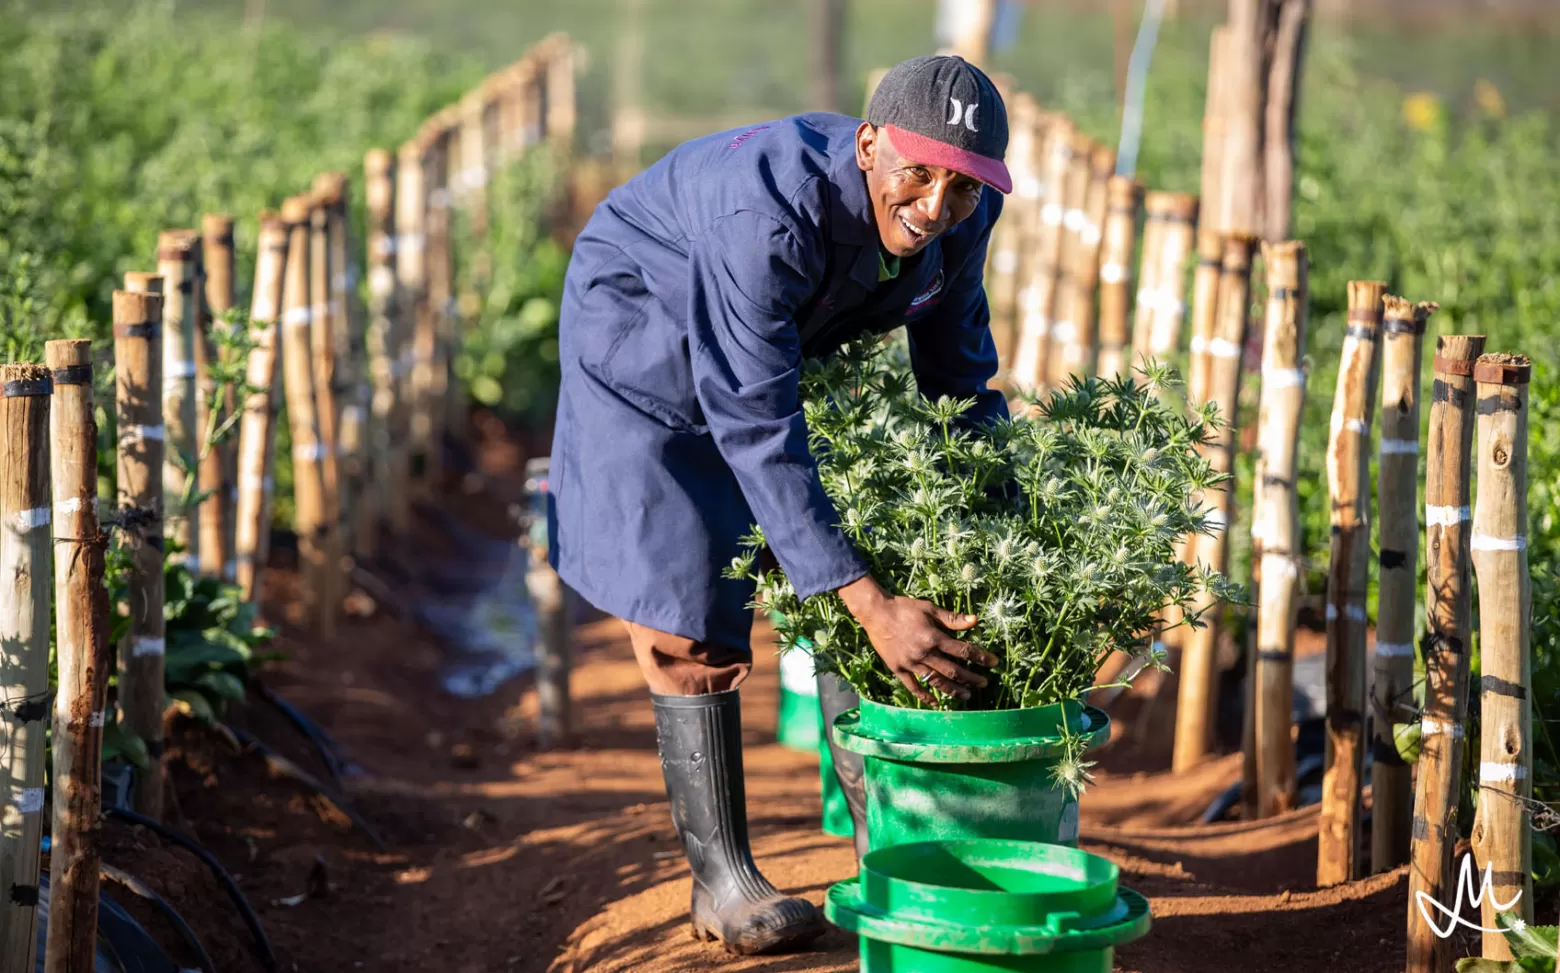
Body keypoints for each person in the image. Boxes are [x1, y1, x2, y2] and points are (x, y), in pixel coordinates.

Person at [547, 54, 1012, 954]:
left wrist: (1010, 528)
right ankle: (722, 880)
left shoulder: (963, 214)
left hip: (778, 338)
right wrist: (871, 603)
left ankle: (888, 851)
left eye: (963, 187)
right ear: (871, 145)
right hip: (643, 325)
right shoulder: (766, 214)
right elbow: (756, 424)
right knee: (694, 590)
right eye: (919, 172)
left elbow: (957, 377)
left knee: (850, 548)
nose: (936, 205)